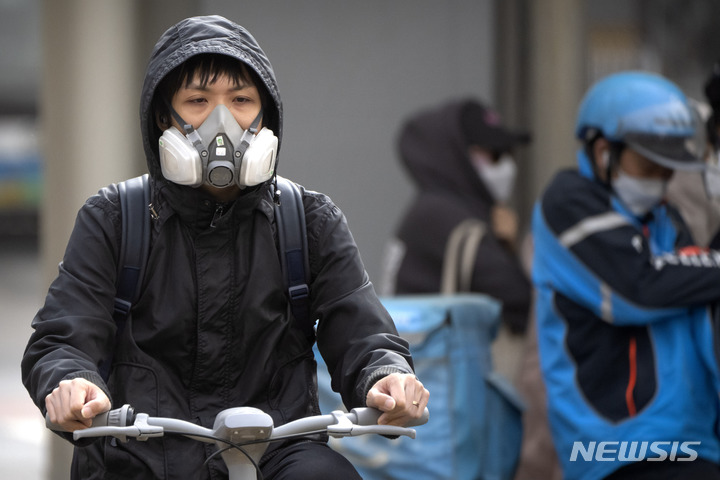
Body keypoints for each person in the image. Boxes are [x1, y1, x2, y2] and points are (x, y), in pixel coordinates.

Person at [21, 15, 428, 480]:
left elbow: (363, 334)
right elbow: (63, 338)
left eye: (240, 100)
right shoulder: (113, 218)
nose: (223, 121)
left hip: (277, 455)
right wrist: (71, 384)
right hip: (138, 454)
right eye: (197, 101)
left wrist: (386, 378)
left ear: (266, 115)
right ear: (162, 116)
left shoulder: (310, 220)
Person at [532, 70, 720, 480]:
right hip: (614, 444)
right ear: (603, 151)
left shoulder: (665, 218)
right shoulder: (568, 201)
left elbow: (698, 291)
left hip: (694, 436)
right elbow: (640, 288)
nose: (660, 179)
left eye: (667, 168)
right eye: (648, 164)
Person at [381, 98, 532, 337]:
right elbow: (521, 303)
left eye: (508, 154)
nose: (506, 166)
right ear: (455, 156)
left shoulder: (431, 209)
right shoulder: (448, 220)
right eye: (493, 155)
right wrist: (509, 248)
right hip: (434, 364)